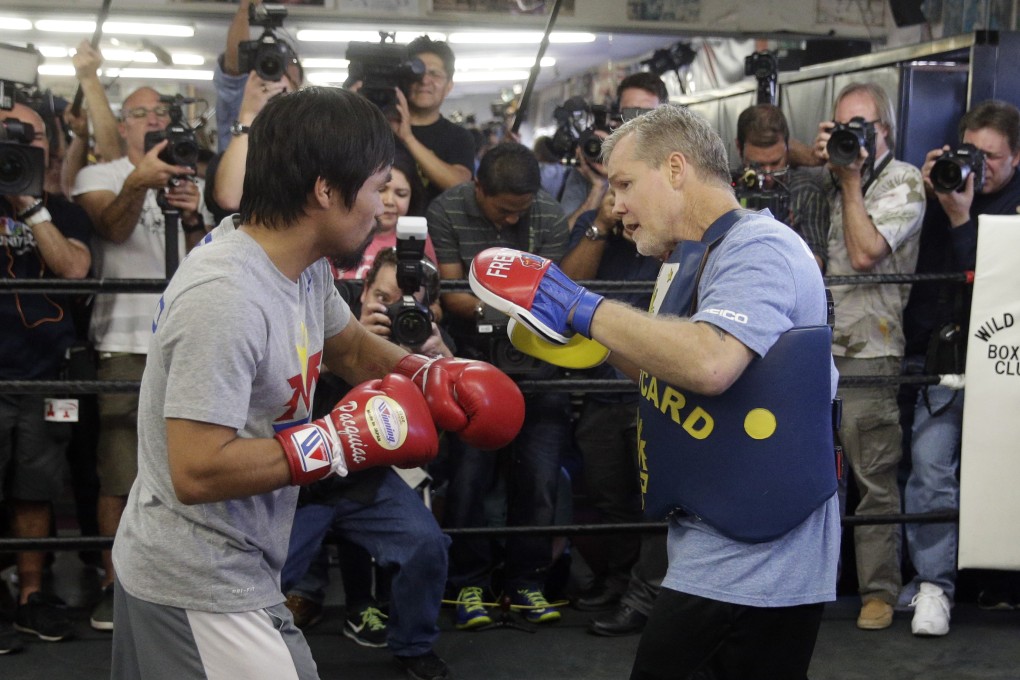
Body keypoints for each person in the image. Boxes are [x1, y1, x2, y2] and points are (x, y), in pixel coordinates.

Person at [108, 87, 523, 680]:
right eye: (377, 185)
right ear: (325, 189)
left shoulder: (295, 263)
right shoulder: (226, 297)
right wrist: (334, 443)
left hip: (235, 561)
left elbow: (348, 344)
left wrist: (427, 374)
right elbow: (195, 469)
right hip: (197, 577)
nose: (383, 204)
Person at [469, 103, 841, 679]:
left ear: (674, 168)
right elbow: (665, 370)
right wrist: (581, 340)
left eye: (623, 183)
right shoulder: (689, 261)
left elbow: (711, 363)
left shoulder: (758, 248)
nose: (614, 205)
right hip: (713, 529)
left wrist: (579, 305)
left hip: (759, 552)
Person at [71, 85, 213, 631]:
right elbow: (111, 228)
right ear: (122, 126)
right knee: (119, 469)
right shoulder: (99, 176)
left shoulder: (186, 175)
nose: (152, 119)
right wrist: (138, 182)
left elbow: (207, 257)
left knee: (190, 466)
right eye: (140, 113)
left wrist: (194, 213)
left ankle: (177, 580)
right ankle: (116, 584)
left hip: (189, 341)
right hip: (125, 342)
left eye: (161, 112)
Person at [282, 249, 454, 680]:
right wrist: (355, 341)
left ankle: (413, 645)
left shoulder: (420, 337)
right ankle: (246, 650)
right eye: (382, 297)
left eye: (402, 302)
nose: (390, 309)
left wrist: (438, 359)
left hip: (363, 481)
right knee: (262, 574)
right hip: (298, 481)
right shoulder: (321, 309)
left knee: (425, 544)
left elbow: (450, 427)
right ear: (363, 290)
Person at [427, 141, 571, 628]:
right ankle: (468, 584)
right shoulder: (447, 209)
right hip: (472, 366)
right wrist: (521, 307)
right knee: (469, 479)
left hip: (542, 366)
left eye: (521, 211)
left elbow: (554, 296)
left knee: (540, 481)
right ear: (478, 189)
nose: (512, 221)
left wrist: (491, 304)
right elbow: (450, 296)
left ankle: (526, 584)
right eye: (504, 210)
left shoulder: (547, 214)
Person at [899, 99, 1020, 636]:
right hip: (946, 359)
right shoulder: (942, 193)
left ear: (1017, 158)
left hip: (1008, 363)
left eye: (992, 157)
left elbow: (998, 283)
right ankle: (933, 586)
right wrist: (932, 199)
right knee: (929, 466)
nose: (981, 166)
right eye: (973, 153)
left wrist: (962, 219)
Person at [811, 82, 926, 632]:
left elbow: (864, 253)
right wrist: (823, 178)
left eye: (861, 125)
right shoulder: (828, 180)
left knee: (873, 476)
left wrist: (850, 180)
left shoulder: (903, 181)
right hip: (815, 347)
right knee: (814, 475)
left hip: (871, 351)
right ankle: (813, 582)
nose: (850, 136)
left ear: (885, 131)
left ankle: (879, 590)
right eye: (840, 126)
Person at [0, 101, 93, 654]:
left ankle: (33, 593)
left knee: (34, 492)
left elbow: (75, 270)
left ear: (49, 146)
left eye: (28, 135)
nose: (17, 142)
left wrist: (32, 207)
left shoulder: (63, 210)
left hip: (42, 370)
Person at [559, 188, 664, 637]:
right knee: (609, 497)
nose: (623, 204)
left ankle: (646, 597)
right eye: (617, 192)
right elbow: (564, 292)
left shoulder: (669, 236)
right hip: (602, 386)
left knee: (657, 500)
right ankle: (620, 582)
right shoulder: (599, 229)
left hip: (653, 389)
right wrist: (600, 224)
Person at [559, 72, 669, 228]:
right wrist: (600, 185)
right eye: (628, 114)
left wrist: (618, 177)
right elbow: (563, 238)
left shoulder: (675, 164)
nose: (636, 123)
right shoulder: (594, 164)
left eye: (645, 114)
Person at [734, 103, 829, 270]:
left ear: (787, 147)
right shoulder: (726, 188)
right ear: (739, 148)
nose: (769, 174)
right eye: (758, 165)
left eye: (776, 163)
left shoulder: (805, 191)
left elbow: (816, 263)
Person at [214, 0, 303, 153]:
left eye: (289, 80)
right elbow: (234, 68)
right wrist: (244, 10)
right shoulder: (241, 100)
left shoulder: (303, 120)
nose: (280, 81)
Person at [395, 36, 476, 204]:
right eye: (417, 71)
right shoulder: (377, 128)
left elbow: (459, 185)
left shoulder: (459, 137)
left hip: (437, 229)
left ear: (449, 86)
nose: (424, 80)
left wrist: (408, 138)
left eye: (434, 74)